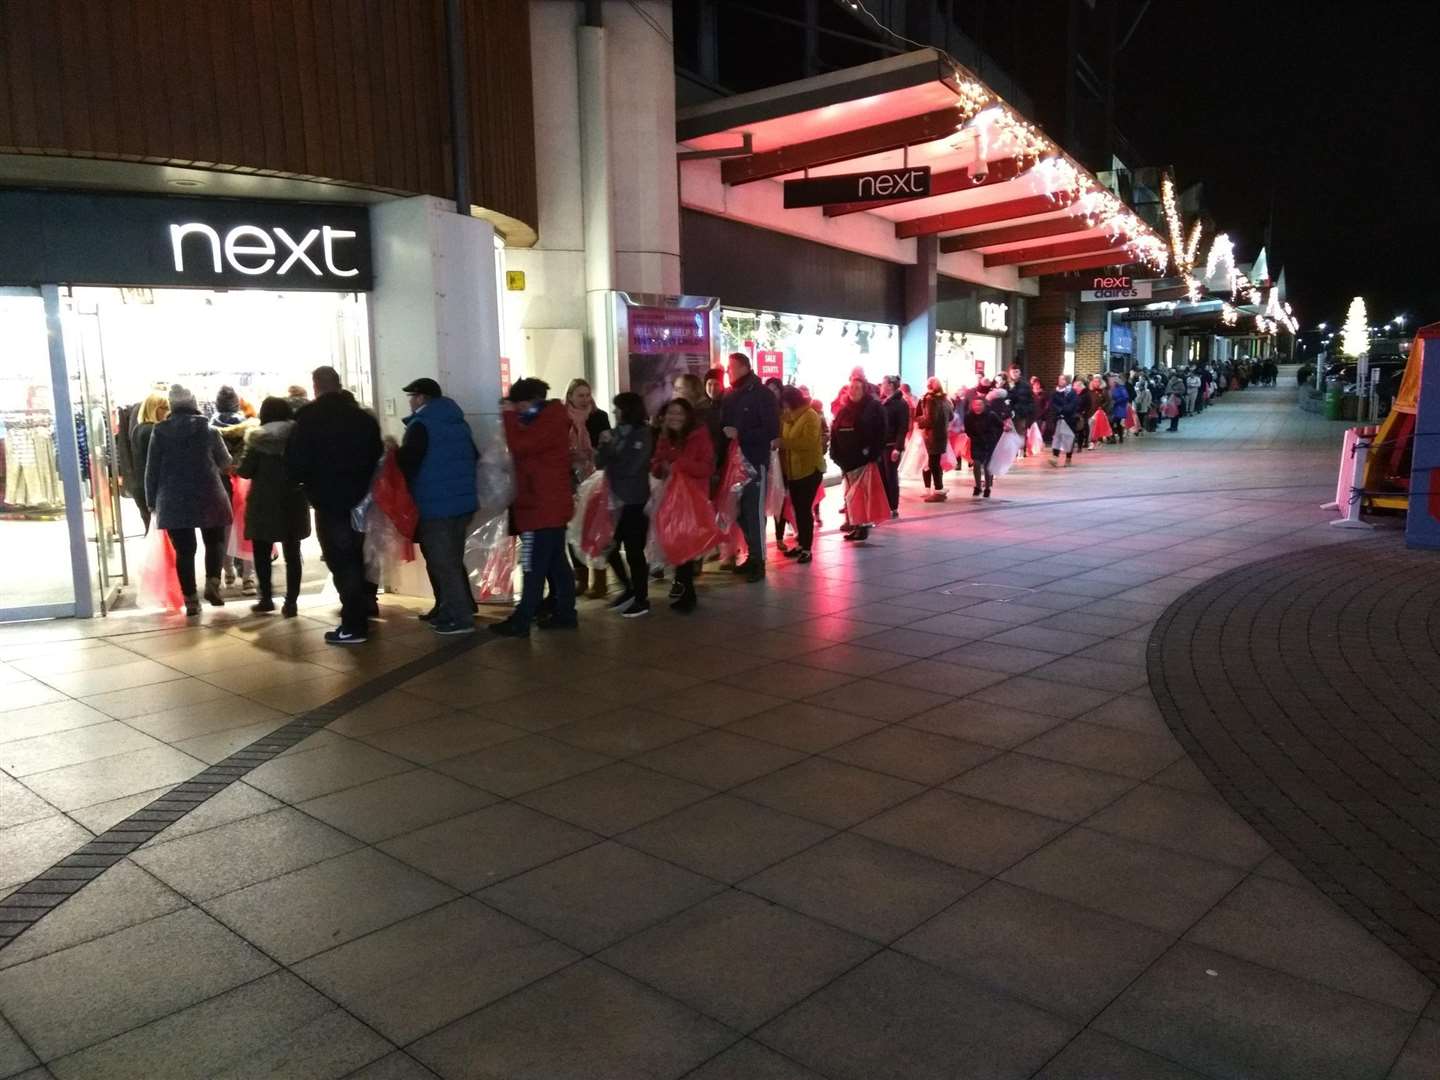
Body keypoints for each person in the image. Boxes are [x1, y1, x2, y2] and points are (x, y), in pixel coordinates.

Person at [286, 365, 383, 646]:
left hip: (328, 500)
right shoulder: (362, 418)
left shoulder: (308, 418)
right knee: (359, 556)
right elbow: (375, 453)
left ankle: (354, 625)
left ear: (316, 386)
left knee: (342, 562)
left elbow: (296, 462)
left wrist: (304, 485)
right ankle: (362, 612)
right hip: (362, 498)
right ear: (338, 384)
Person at [394, 377, 479, 636]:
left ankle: (460, 618)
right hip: (463, 503)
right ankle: (456, 607)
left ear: (420, 398)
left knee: (443, 563)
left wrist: (392, 453)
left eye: (411, 397)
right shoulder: (458, 422)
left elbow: (408, 464)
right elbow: (474, 457)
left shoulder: (421, 426)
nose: (409, 402)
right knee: (452, 559)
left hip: (436, 504)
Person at [493, 378, 575, 636]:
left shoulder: (547, 421)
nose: (516, 411)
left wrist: (507, 417)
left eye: (518, 405)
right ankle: (565, 614)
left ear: (529, 402)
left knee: (533, 566)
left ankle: (522, 620)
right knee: (557, 565)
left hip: (540, 508)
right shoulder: (548, 418)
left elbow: (520, 446)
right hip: (548, 505)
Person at [145, 384, 232, 616]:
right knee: (214, 541)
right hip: (209, 494)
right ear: (194, 403)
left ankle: (191, 600)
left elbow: (151, 469)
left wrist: (150, 500)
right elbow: (225, 462)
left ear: (172, 406)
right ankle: (213, 583)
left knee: (185, 551)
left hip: (172, 498)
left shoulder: (159, 431)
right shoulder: (209, 430)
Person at [235, 396, 309, 617]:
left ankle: (266, 598)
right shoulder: (298, 437)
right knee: (292, 554)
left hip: (263, 502)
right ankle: (291, 602)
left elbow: (245, 471)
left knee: (262, 552)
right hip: (293, 500)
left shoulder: (257, 439)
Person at [719, 352, 780, 582]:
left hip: (754, 461)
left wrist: (741, 434)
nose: (728, 372)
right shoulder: (731, 395)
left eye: (731, 367)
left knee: (754, 512)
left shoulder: (762, 395)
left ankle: (758, 560)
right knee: (739, 512)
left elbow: (771, 431)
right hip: (733, 464)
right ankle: (753, 555)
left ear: (745, 367)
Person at [651, 398, 714, 612]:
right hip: (670, 497)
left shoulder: (699, 435)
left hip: (693, 498)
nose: (674, 417)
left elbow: (706, 467)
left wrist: (679, 464)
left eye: (679, 413)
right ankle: (685, 588)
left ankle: (687, 591)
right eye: (670, 413)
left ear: (688, 416)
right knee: (675, 541)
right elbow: (657, 463)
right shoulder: (665, 436)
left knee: (685, 542)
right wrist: (660, 468)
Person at [595, 392, 653, 617]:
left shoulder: (644, 434)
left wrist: (612, 458)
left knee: (634, 550)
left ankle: (641, 597)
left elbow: (632, 467)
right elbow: (600, 462)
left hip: (635, 501)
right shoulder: (613, 433)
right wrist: (606, 447)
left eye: (618, 408)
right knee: (608, 546)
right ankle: (629, 587)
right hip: (612, 500)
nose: (614, 412)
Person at [565, 378, 611, 599]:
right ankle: (580, 578)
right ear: (570, 396)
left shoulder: (599, 417)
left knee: (596, 527)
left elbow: (608, 447)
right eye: (580, 395)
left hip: (595, 478)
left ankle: (600, 579)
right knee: (573, 527)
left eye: (587, 394)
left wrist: (594, 452)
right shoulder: (562, 420)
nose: (584, 399)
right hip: (571, 478)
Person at [211, 386, 256, 594]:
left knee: (223, 529)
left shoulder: (211, 426)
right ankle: (248, 577)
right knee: (246, 530)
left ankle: (227, 571)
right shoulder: (247, 426)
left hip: (219, 482)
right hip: (244, 481)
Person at [830, 375, 886, 541]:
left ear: (864, 390)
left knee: (861, 495)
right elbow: (835, 430)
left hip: (862, 460)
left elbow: (880, 432)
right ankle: (856, 523)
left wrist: (871, 453)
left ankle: (862, 525)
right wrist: (835, 453)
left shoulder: (873, 407)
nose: (853, 391)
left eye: (857, 388)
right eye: (851, 387)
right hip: (846, 461)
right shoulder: (844, 409)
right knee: (851, 495)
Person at [777, 385, 823, 563]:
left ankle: (807, 548)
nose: (785, 408)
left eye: (786, 404)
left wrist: (784, 443)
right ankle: (801, 544)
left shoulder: (810, 416)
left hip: (809, 471)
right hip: (793, 472)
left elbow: (808, 443)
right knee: (798, 510)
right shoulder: (790, 417)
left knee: (804, 511)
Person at [128, 391, 170, 531]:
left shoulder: (138, 429)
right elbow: (156, 464)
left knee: (152, 532)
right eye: (165, 408)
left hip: (140, 487)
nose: (168, 412)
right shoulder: (153, 431)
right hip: (152, 490)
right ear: (155, 409)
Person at [915, 377, 952, 502]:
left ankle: (938, 491)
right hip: (942, 435)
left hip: (932, 436)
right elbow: (951, 416)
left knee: (933, 464)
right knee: (935, 463)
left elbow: (930, 420)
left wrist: (919, 420)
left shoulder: (930, 399)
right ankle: (939, 489)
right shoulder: (945, 400)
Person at [879, 375, 910, 518]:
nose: (881, 386)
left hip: (891, 446)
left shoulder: (900, 403)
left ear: (890, 385)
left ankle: (893, 507)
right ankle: (884, 505)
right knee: (882, 477)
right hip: (881, 445)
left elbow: (902, 427)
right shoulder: (883, 402)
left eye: (883, 383)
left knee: (891, 476)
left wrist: (898, 448)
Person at [963, 395, 1003, 498]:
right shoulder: (969, 416)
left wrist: (994, 437)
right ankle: (978, 486)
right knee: (976, 463)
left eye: (980, 404)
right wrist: (973, 437)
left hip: (989, 443)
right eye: (975, 405)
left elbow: (1001, 426)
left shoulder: (991, 415)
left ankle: (987, 488)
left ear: (984, 405)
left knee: (987, 466)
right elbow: (967, 430)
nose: (977, 407)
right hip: (976, 442)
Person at [1049, 375, 1079, 467]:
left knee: (1068, 439)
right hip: (1058, 418)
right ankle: (1055, 457)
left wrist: (1064, 410)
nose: (1060, 381)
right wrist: (1058, 411)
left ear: (1066, 381)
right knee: (1057, 438)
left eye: (1062, 379)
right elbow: (1052, 404)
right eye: (1059, 379)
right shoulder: (1055, 392)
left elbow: (1073, 404)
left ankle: (1068, 458)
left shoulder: (1072, 392)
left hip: (1069, 418)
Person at [1005, 364, 1035, 454]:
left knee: (1020, 431)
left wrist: (1027, 411)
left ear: (1020, 372)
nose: (1015, 373)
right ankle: (1011, 451)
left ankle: (1021, 450)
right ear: (1009, 373)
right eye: (1013, 372)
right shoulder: (1006, 385)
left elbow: (1030, 400)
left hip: (1021, 413)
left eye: (1016, 371)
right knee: (1009, 432)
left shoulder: (1025, 385)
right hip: (1008, 413)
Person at [1109, 375, 1131, 444]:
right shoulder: (1112, 389)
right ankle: (1113, 437)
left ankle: (1119, 437)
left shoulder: (1122, 388)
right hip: (1113, 408)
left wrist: (1116, 401)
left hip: (1119, 408)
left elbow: (1126, 397)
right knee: (1111, 423)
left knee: (1117, 423)